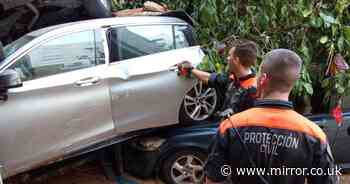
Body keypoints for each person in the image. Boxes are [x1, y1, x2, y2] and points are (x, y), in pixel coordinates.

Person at [204, 49, 338, 184]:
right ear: (294, 82)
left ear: (262, 79)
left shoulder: (230, 126)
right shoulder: (314, 134)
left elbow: (213, 179)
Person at [178, 40, 258, 120]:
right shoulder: (233, 78)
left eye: (230, 56)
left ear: (236, 60)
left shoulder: (252, 91)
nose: (227, 58)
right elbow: (211, 78)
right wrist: (190, 69)